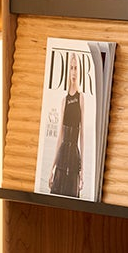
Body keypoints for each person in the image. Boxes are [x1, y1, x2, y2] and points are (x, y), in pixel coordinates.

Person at [47, 53, 84, 198]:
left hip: (74, 156)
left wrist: (83, 172)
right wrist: (51, 168)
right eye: (71, 68)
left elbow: (82, 137)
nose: (73, 71)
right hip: (62, 156)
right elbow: (59, 138)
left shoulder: (81, 98)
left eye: (75, 68)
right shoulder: (63, 100)